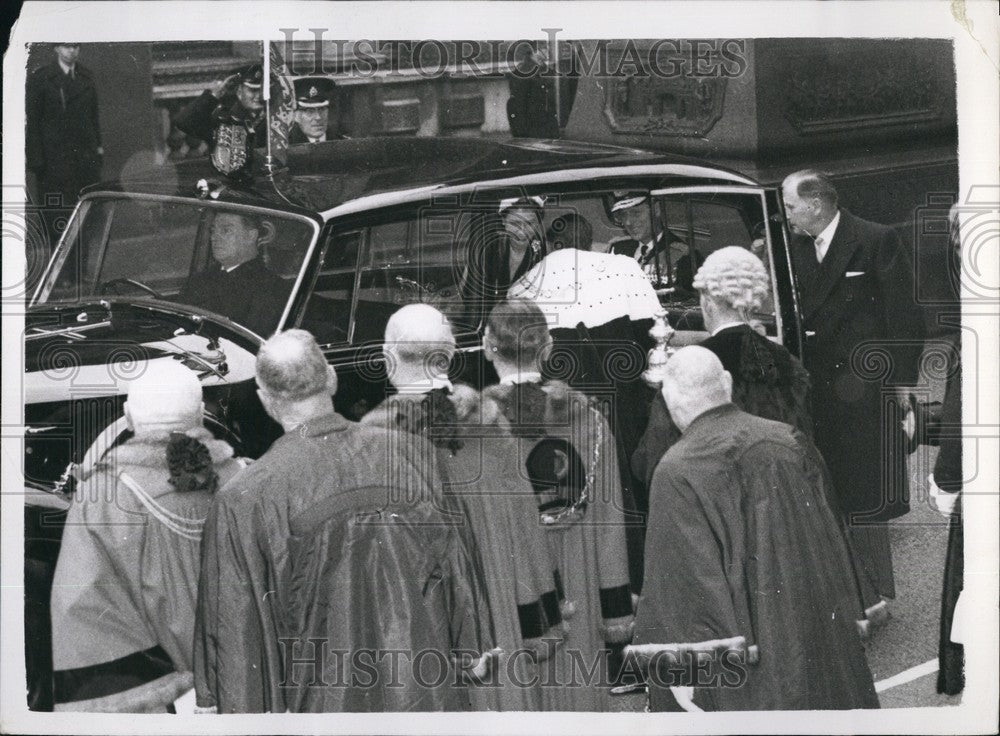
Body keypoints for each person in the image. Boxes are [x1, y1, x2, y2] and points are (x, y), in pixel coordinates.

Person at [194, 329, 494, 713]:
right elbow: (460, 570)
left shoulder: (243, 499)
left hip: (326, 707)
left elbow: (234, 631)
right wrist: (472, 651)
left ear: (265, 400)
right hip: (426, 696)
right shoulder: (416, 456)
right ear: (332, 378)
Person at [628, 346, 878, 711]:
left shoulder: (678, 470)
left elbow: (686, 583)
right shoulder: (789, 440)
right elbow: (833, 539)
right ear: (726, 383)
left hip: (750, 652)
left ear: (670, 398)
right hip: (816, 628)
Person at [360, 304, 562, 710]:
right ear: (451, 356)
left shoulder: (370, 443)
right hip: (498, 606)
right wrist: (545, 618)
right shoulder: (492, 423)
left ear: (386, 358)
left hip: (419, 619)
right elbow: (527, 530)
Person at [50, 361, 245, 710]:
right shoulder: (249, 480)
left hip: (161, 702)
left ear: (127, 416)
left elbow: (84, 614)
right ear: (201, 414)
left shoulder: (103, 496)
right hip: (247, 688)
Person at [782, 169, 925, 615]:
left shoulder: (875, 239)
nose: (784, 214)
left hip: (863, 386)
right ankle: (847, 590)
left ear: (815, 205)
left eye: (789, 206)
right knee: (828, 486)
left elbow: (905, 316)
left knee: (864, 491)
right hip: (814, 386)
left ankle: (875, 591)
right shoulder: (790, 249)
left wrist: (902, 386)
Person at [482, 299, 634, 710]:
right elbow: (610, 524)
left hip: (510, 586)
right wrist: (616, 611)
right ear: (548, 347)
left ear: (486, 346)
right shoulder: (590, 420)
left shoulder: (472, 431)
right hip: (579, 576)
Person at [508, 218, 660, 593]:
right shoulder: (624, 269)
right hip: (625, 396)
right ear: (590, 240)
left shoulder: (525, 284)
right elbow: (654, 336)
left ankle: (598, 579)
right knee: (633, 489)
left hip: (569, 407)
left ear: (547, 243)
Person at [631, 246, 813, 490]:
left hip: (715, 503)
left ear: (707, 302)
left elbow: (652, 461)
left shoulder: (694, 365)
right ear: (753, 301)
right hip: (780, 495)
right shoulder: (787, 362)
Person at [26, 43, 103, 225]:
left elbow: (93, 118)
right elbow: (33, 122)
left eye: (76, 46)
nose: (72, 50)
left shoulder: (86, 77)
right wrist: (37, 161)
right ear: (56, 49)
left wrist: (98, 150)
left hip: (83, 159)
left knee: (84, 218)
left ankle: (81, 254)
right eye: (66, 46)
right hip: (54, 162)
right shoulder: (42, 78)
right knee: (57, 217)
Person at [177, 211, 288, 336]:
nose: (214, 237)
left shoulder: (271, 288)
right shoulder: (199, 279)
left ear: (251, 236)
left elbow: (250, 343)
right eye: (213, 230)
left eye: (226, 230)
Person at [608, 193, 701, 292]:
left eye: (636, 213)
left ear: (656, 209)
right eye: (623, 215)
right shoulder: (617, 250)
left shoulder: (684, 256)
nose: (628, 222)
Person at [174, 64, 267, 147]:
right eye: (253, 90)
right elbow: (182, 122)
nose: (259, 96)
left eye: (262, 90)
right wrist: (213, 96)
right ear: (239, 92)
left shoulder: (272, 118)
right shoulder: (224, 119)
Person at [288, 76, 348, 144]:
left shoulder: (343, 143)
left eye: (322, 109)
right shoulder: (287, 146)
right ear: (295, 116)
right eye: (310, 111)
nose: (318, 117)